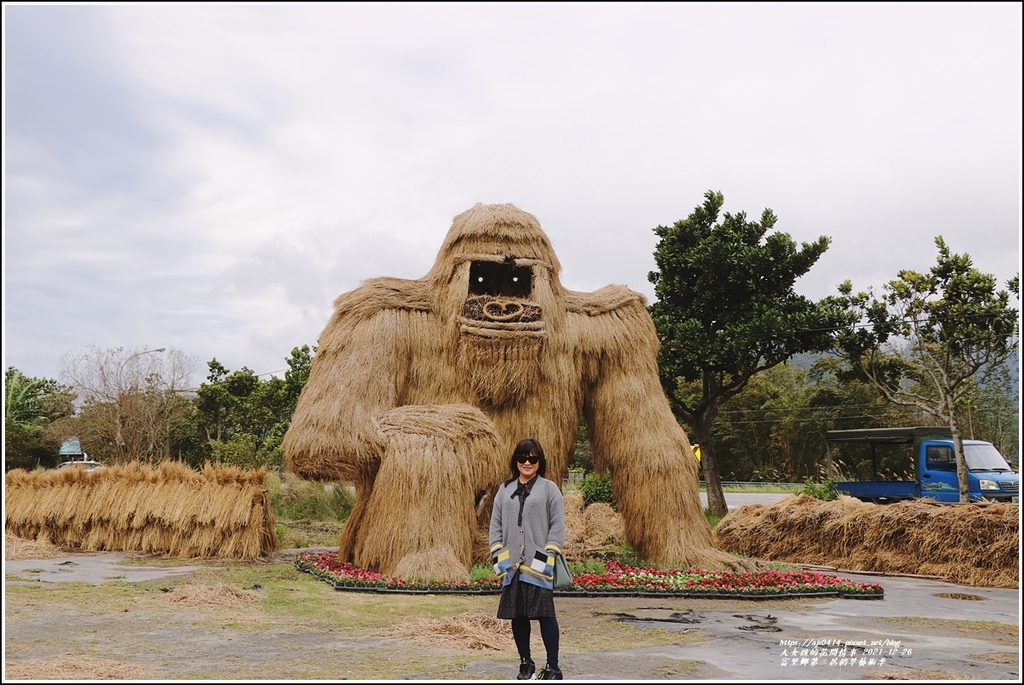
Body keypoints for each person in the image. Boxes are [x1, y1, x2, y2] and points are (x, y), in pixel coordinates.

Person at [489, 438, 566, 680]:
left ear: (540, 461)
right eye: (522, 458)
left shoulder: (549, 488)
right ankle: (526, 663)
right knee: (518, 615)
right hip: (512, 564)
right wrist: (499, 557)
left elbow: (557, 526)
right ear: (516, 461)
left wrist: (549, 554)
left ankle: (553, 667)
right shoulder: (505, 489)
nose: (527, 462)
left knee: (545, 614)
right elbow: (496, 527)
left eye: (533, 458)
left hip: (539, 562)